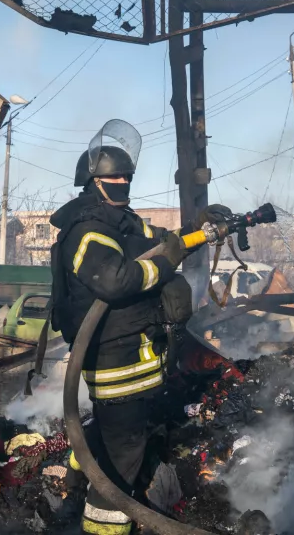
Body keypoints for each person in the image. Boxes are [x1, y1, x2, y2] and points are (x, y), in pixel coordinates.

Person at [49, 120, 229, 535]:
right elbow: (116, 281)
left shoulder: (125, 222)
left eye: (127, 175)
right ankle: (104, 524)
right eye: (115, 175)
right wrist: (164, 265)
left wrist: (206, 229)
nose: (123, 181)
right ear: (94, 181)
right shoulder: (87, 231)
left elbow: (169, 240)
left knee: (116, 434)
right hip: (115, 360)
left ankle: (77, 475)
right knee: (123, 455)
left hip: (135, 353)